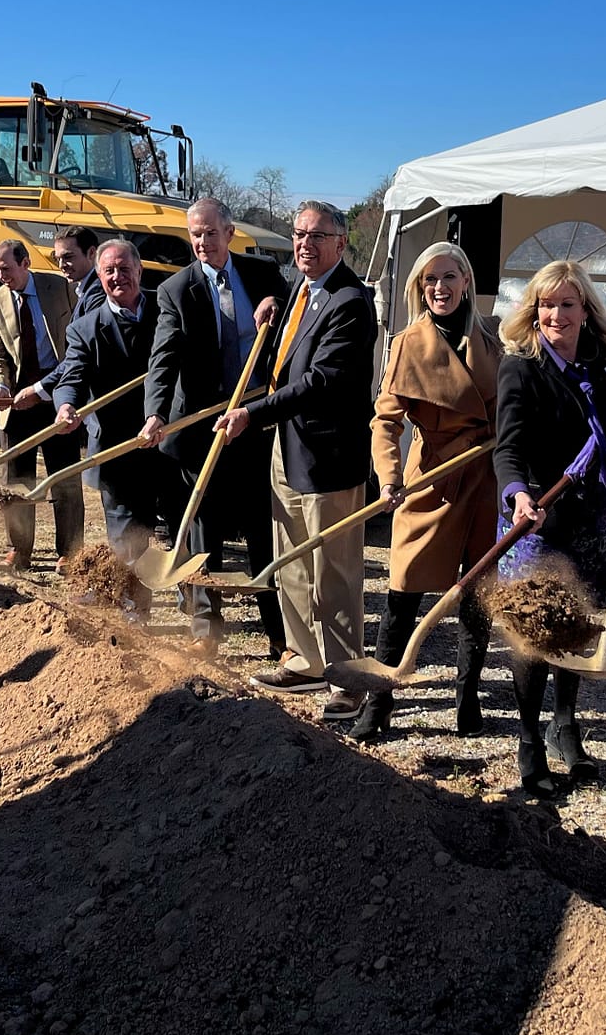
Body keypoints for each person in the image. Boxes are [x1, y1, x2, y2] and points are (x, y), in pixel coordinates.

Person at [224, 202, 379, 721]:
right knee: (290, 559)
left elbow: (320, 383)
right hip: (287, 449)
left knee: (332, 570)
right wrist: (272, 314)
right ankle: (305, 660)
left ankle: (348, 678)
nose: (304, 244)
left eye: (317, 235)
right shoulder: (300, 291)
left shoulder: (351, 302)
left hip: (329, 456)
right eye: (298, 235)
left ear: (340, 243)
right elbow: (286, 362)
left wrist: (252, 413)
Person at [494, 258, 606, 797]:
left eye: (567, 304)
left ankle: (564, 723)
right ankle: (529, 738)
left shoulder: (602, 356)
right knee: (535, 629)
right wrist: (518, 494)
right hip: (536, 518)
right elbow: (507, 447)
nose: (556, 314)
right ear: (534, 311)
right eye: (547, 305)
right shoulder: (521, 365)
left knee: (579, 624)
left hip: (589, 517)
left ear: (585, 310)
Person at [353, 240, 503, 741]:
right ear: (420, 287)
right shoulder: (407, 343)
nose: (440, 288)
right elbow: (386, 421)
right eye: (429, 280)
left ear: (466, 281)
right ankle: (379, 702)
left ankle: (467, 697)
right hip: (432, 481)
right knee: (403, 590)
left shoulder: (493, 336)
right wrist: (389, 477)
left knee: (477, 592)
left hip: (484, 480)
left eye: (449, 277)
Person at [141, 198, 288, 653]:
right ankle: (207, 629)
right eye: (195, 235)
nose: (201, 242)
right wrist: (156, 413)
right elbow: (162, 359)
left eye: (209, 233)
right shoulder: (177, 290)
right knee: (203, 527)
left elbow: (295, 311)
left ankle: (279, 634)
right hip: (206, 426)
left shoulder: (263, 275)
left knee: (264, 530)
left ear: (229, 232)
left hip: (256, 419)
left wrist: (275, 304)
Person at [52, 239, 160, 618]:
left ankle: (199, 616)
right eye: (109, 270)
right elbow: (72, 375)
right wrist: (66, 404)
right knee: (127, 536)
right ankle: (133, 611)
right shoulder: (85, 329)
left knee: (178, 532)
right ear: (99, 276)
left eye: (124, 268)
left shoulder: (166, 312)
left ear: (139, 270)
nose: (118, 277)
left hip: (167, 442)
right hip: (116, 447)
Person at [0, 239, 83, 569]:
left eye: (7, 269)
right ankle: (19, 550)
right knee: (16, 480)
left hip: (57, 396)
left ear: (25, 263)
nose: (1, 276)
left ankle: (69, 552)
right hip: (18, 403)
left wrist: (51, 388)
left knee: (64, 477)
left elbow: (75, 344)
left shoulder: (60, 288)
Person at [53, 224, 106, 316]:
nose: (61, 265)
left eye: (68, 257)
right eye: (57, 259)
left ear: (91, 253)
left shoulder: (99, 292)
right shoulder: (87, 288)